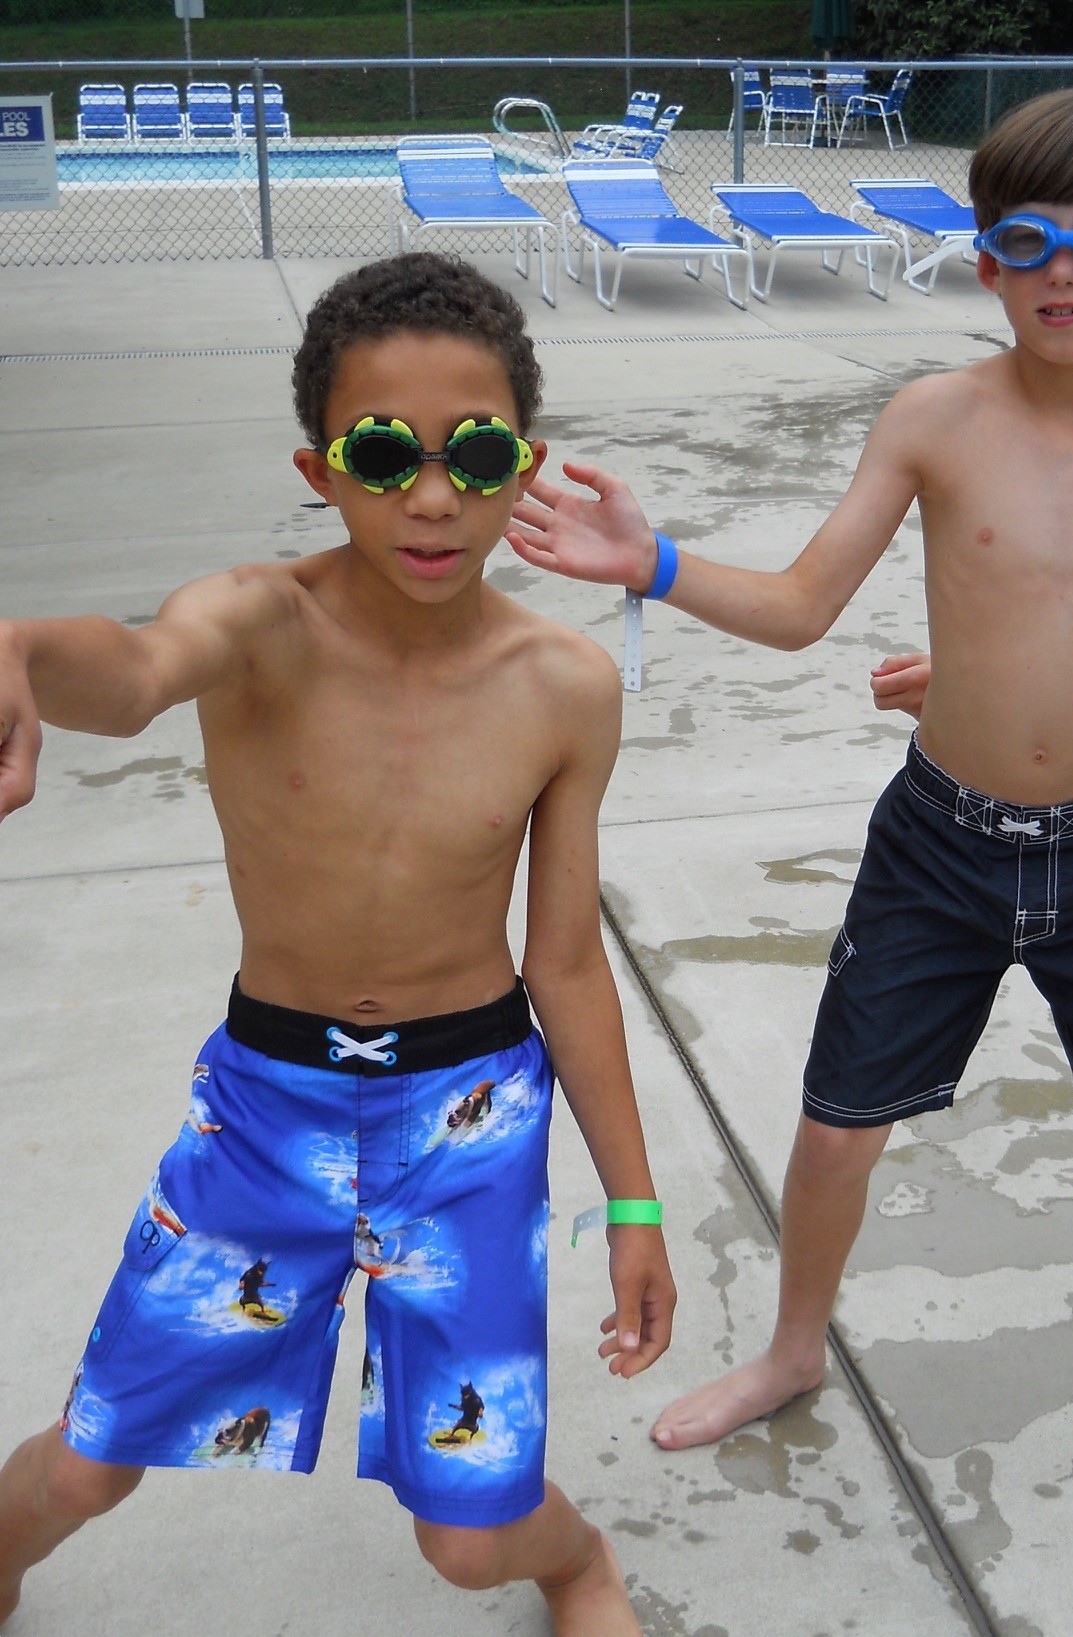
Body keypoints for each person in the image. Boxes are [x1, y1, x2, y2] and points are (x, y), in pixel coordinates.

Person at [507, 88, 1073, 1510]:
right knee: (834, 1129)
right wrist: (657, 564)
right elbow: (808, 604)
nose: (1064, 273)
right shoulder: (936, 416)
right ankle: (794, 1350)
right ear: (986, 261)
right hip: (937, 842)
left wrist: (994, 657)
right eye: (1026, 242)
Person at [0, 252, 676, 1631]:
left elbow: (562, 961)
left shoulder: (564, 685)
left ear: (521, 465)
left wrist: (634, 1201)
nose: (431, 497)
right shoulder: (259, 625)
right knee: (86, 1466)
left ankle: (578, 1560)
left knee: (470, 1542)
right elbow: (126, 677)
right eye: (383, 456)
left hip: (468, 1120)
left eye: (472, 455)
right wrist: (12, 644)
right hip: (265, 1110)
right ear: (321, 470)